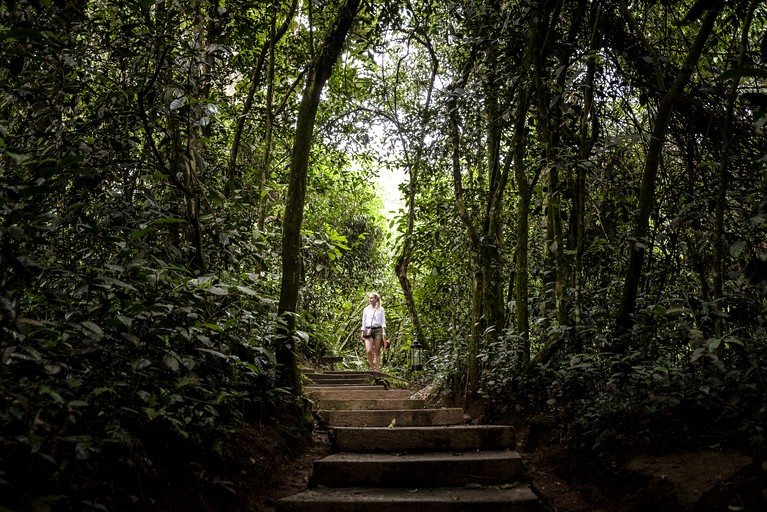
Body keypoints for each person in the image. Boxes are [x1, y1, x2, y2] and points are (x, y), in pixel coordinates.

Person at [361, 292, 386, 372]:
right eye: (369, 298)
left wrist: (383, 331)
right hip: (368, 330)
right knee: (368, 350)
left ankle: (377, 370)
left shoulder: (381, 309)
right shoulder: (366, 309)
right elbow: (363, 321)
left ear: (376, 299)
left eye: (371, 298)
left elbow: (383, 321)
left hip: (378, 330)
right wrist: (362, 331)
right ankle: (372, 367)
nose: (370, 300)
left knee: (377, 351)